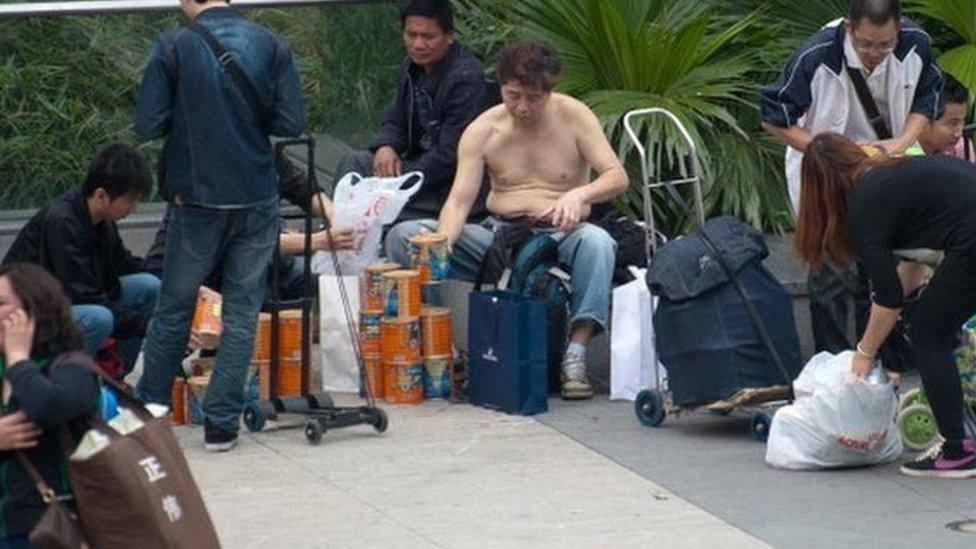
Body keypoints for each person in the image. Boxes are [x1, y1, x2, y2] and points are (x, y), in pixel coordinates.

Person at [134, 0, 306, 452]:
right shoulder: (272, 44)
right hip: (257, 194)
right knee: (242, 312)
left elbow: (148, 124)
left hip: (196, 198)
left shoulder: (173, 46)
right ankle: (222, 424)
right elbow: (291, 122)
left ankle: (150, 417)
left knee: (174, 307)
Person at [427, 41, 627, 400]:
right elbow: (458, 201)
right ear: (501, 86)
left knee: (599, 243)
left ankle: (575, 353)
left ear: (550, 90)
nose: (522, 106)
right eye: (513, 94)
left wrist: (577, 195)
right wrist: (443, 240)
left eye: (533, 97)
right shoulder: (483, 129)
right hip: (502, 236)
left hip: (564, 234)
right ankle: (443, 352)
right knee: (410, 237)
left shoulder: (574, 115)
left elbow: (616, 176)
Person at [759, 0, 944, 357]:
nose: (875, 53)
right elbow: (773, 117)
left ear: (899, 29)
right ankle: (832, 365)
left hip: (883, 167)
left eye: (885, 44)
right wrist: (834, 153)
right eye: (866, 44)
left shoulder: (916, 44)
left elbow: (927, 97)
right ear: (849, 28)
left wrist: (902, 142)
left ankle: (875, 361)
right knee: (832, 271)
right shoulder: (816, 55)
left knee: (878, 267)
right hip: (825, 175)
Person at [796, 132, 976, 478]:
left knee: (928, 333)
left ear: (819, 189)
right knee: (934, 323)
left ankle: (957, 450)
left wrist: (864, 354)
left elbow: (888, 298)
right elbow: (911, 267)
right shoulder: (889, 176)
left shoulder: (863, 209)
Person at [334, 0, 494, 261]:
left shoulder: (466, 77)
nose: (418, 44)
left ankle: (364, 254)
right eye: (411, 35)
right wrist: (387, 145)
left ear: (449, 37)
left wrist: (398, 184)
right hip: (414, 169)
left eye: (428, 36)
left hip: (449, 187)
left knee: (375, 205)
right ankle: (342, 249)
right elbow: (395, 118)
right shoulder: (410, 67)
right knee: (355, 163)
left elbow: (449, 155)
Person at [2, 143, 159, 373]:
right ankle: (63, 384)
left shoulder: (102, 220)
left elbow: (123, 265)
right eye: (130, 200)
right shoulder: (62, 222)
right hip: (33, 314)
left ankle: (118, 376)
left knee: (149, 286)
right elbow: (83, 296)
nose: (134, 208)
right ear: (102, 195)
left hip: (72, 301)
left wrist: (175, 282)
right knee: (99, 318)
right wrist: (151, 326)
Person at [142, 150, 355, 302]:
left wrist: (334, 215)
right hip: (199, 273)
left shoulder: (263, 151)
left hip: (257, 264)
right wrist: (315, 241)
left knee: (320, 279)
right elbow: (243, 241)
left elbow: (304, 189)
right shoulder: (217, 167)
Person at [0, 263, 100, 546]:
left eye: (1, 304)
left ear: (34, 310)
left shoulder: (72, 367)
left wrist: (18, 360)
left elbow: (47, 408)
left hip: (47, 525)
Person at [915, 74, 974, 162]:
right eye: (953, 124)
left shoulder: (962, 148)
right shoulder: (897, 155)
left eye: (963, 122)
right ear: (923, 120)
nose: (959, 133)